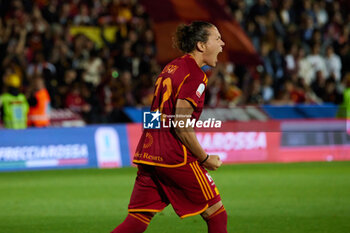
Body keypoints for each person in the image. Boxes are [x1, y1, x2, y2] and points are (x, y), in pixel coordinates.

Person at [110, 21, 227, 233]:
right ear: (201, 45)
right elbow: (181, 125)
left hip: (149, 152)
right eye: (217, 39)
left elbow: (156, 114)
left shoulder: (172, 67)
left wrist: (152, 144)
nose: (222, 44)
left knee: (137, 219)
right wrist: (204, 158)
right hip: (175, 158)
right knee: (217, 214)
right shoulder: (195, 75)